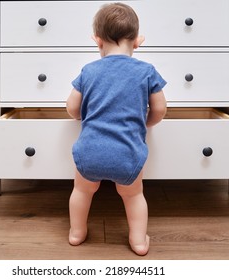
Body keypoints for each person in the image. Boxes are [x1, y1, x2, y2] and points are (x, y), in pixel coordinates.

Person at [66, 2, 167, 256]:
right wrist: (146, 123)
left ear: (97, 41)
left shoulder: (88, 71)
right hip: (128, 152)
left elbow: (71, 108)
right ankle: (138, 241)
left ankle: (77, 233)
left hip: (90, 151)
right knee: (133, 196)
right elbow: (160, 109)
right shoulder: (146, 71)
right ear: (137, 42)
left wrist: (84, 117)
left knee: (81, 190)